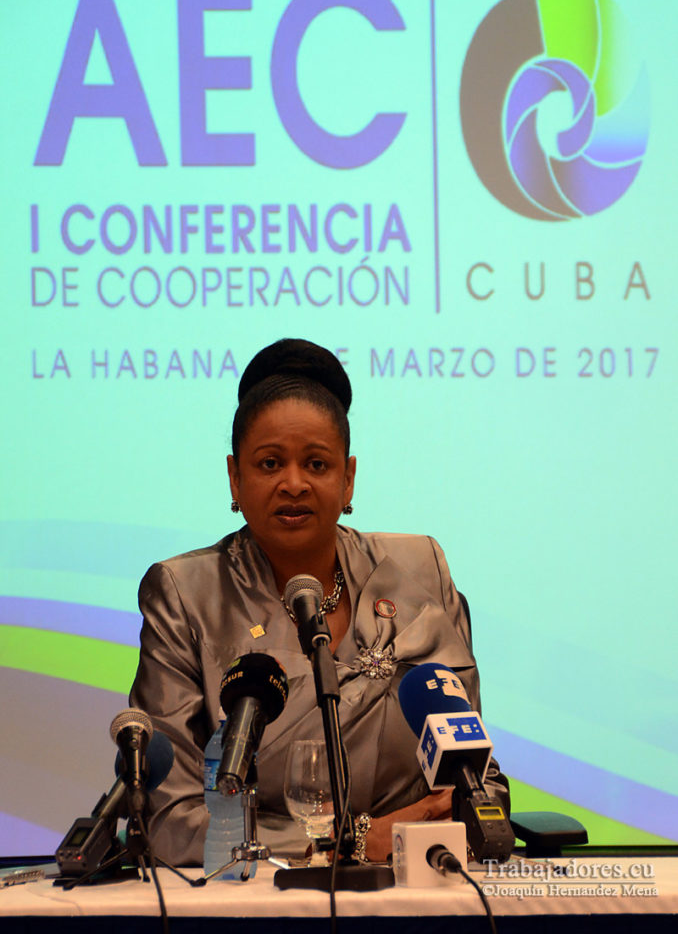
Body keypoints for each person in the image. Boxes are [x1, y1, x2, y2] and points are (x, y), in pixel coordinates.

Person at [129, 338, 509, 866]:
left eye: (316, 463)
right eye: (269, 463)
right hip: (263, 898)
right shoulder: (186, 594)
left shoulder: (418, 570)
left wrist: (444, 820)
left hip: (420, 885)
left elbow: (481, 786)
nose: (294, 484)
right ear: (235, 478)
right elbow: (171, 820)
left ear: (347, 478)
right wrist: (350, 843)